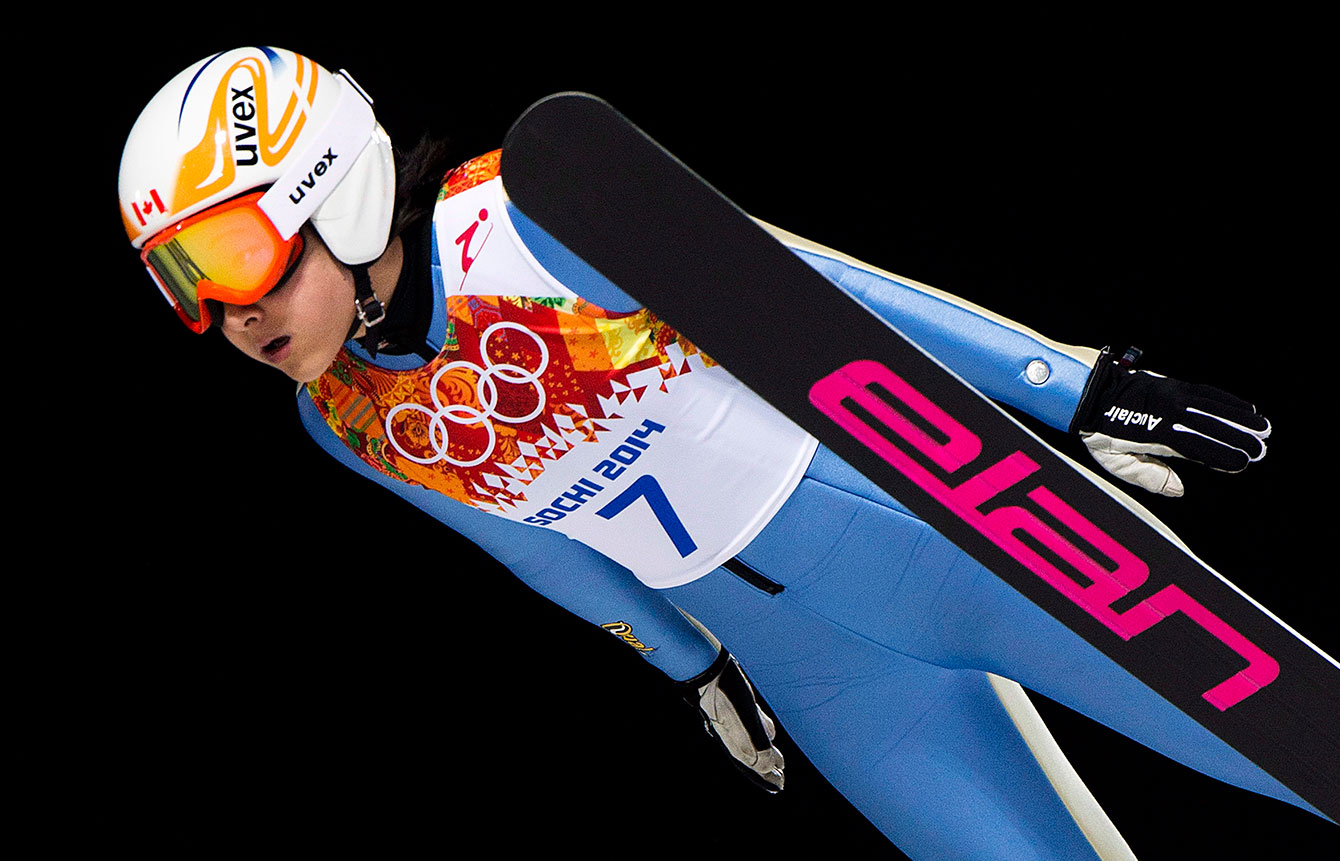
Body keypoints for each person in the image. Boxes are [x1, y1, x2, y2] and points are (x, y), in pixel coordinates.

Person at [117, 47, 1333, 858]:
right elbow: (538, 552)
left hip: (964, 543)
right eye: (185, 286)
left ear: (332, 186)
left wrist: (1078, 388)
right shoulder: (344, 423)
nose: (231, 317)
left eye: (231, 256)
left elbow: (822, 298)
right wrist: (690, 669)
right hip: (836, 688)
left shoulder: (528, 218)